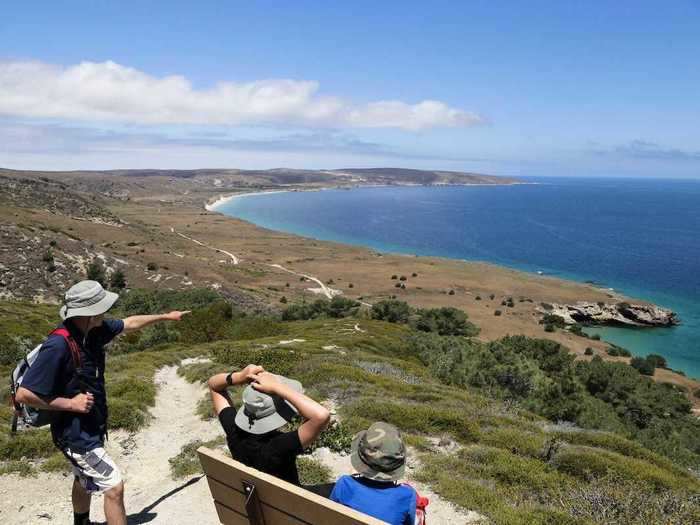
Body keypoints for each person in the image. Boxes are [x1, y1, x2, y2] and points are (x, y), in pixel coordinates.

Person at [15, 280, 190, 525]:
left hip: (89, 426)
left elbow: (129, 323)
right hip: (74, 434)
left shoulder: (93, 331)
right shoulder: (58, 345)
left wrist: (166, 317)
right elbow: (23, 394)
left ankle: (81, 522)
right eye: (102, 307)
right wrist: (71, 404)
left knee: (82, 479)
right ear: (90, 312)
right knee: (114, 487)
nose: (106, 311)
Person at [208, 367, 330, 485]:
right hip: (287, 504)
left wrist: (239, 376)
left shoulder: (233, 431)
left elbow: (214, 386)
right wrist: (277, 387)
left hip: (256, 501)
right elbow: (321, 416)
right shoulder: (279, 447)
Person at [330, 422, 416, 525]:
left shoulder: (344, 483)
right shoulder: (406, 496)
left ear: (361, 460)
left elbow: (331, 515)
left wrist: (353, 478)